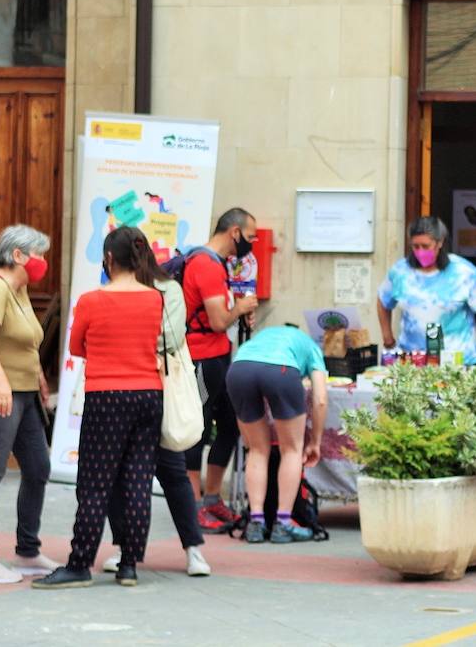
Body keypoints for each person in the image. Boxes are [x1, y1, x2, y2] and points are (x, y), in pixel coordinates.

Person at [36, 227, 168, 590]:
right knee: (138, 481)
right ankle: (129, 564)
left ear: (109, 259)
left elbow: (77, 347)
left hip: (106, 395)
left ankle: (80, 563)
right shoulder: (155, 299)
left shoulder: (91, 301)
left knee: (95, 484)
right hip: (148, 396)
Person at [101, 246, 212, 579]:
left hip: (159, 389)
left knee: (173, 471)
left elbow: (174, 336)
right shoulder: (111, 292)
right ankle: (124, 547)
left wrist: (132, 338)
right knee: (117, 474)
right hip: (121, 388)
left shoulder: (168, 289)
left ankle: (193, 549)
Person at [0, 224, 53, 585]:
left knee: (38, 467)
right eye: (39, 254)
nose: (43, 262)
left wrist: (38, 377)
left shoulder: (19, 289)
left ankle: (27, 550)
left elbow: (25, 340)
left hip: (25, 392)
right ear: (18, 255)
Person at [181, 208, 260, 534]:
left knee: (230, 424)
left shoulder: (218, 265)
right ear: (235, 233)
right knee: (197, 432)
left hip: (220, 358)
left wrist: (239, 311)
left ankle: (212, 497)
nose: (253, 243)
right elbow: (216, 321)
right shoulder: (205, 264)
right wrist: (239, 308)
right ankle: (192, 506)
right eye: (251, 236)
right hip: (200, 359)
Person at [226, 325, 329, 544]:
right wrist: (315, 442)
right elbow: (320, 399)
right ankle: (283, 523)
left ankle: (256, 522)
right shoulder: (311, 346)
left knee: (256, 449)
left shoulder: (262, 337)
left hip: (238, 369)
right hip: (281, 369)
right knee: (291, 449)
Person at [376, 216, 476, 365]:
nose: (420, 251)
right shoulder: (400, 272)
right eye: (415, 246)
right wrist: (388, 338)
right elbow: (382, 299)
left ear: (440, 242)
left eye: (425, 246)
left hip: (460, 363)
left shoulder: (462, 271)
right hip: (413, 363)